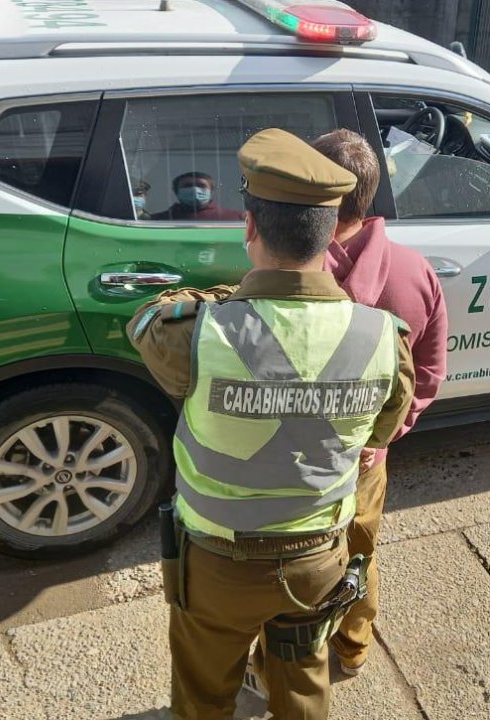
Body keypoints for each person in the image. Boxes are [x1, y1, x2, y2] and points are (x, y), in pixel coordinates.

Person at [128, 128, 416, 720]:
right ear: (336, 230)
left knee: (204, 694)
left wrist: (233, 297)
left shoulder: (197, 335)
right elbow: (380, 435)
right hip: (318, 561)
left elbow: (145, 322)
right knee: (303, 683)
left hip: (216, 567)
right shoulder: (386, 339)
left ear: (251, 227)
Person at [312, 128, 448, 677]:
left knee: (286, 561)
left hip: (295, 461)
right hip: (368, 461)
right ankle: (353, 646)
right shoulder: (416, 272)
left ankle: (287, 650)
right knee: (359, 553)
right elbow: (431, 371)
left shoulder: (287, 274)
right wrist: (382, 438)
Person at [149, 171, 245, 221]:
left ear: (211, 190)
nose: (195, 189)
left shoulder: (236, 218)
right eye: (187, 186)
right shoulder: (157, 220)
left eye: (201, 185)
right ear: (176, 191)